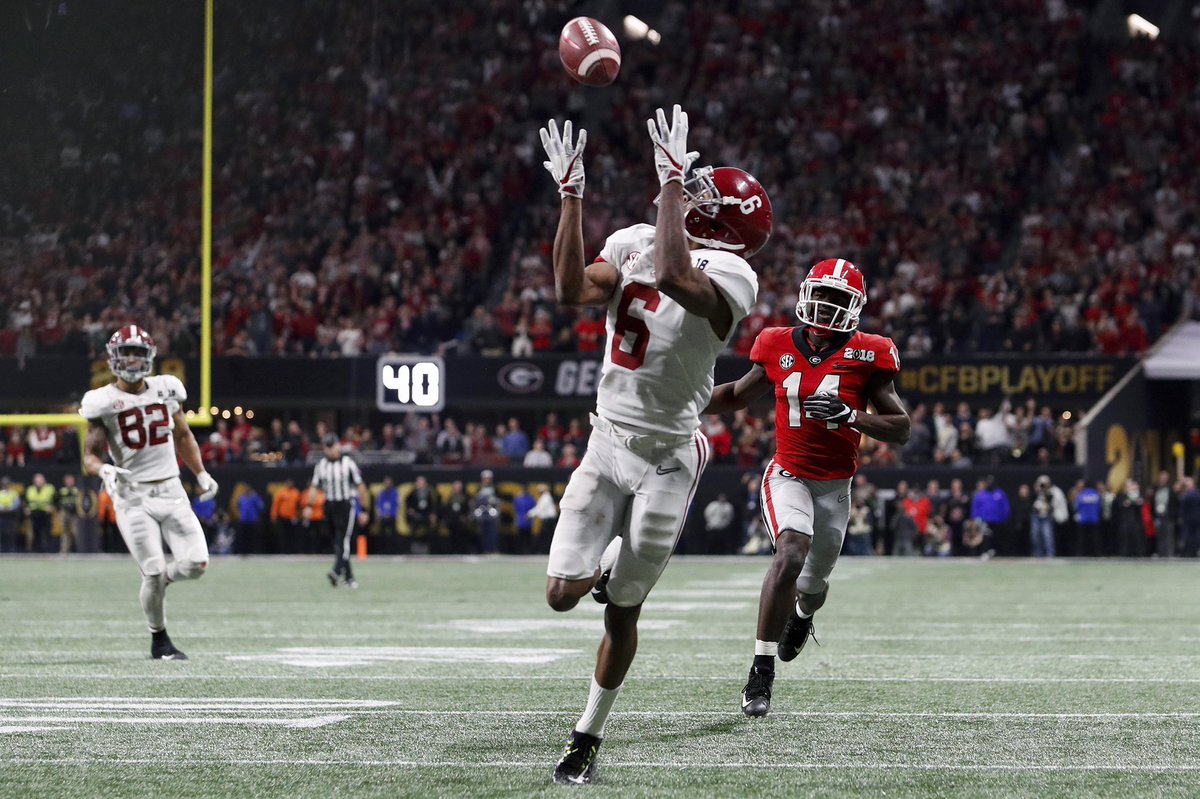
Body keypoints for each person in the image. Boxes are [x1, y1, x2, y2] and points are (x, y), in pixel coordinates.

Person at [538, 104, 772, 784]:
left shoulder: (736, 276)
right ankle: (607, 557)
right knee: (559, 593)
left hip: (669, 454)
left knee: (623, 608)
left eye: (702, 192)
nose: (687, 189)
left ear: (724, 222)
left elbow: (674, 276)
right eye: (687, 185)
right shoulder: (636, 238)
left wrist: (672, 183)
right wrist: (573, 198)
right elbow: (569, 288)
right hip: (606, 438)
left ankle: (587, 734)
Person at [702, 257, 910, 717]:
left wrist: (851, 416)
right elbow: (737, 394)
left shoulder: (869, 352)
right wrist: (683, 401)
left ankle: (803, 615)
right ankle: (761, 671)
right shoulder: (775, 342)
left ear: (854, 307)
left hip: (835, 485)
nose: (826, 305)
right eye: (822, 294)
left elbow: (900, 427)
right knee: (790, 552)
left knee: (813, 585)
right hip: (787, 473)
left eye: (838, 298)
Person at [79, 325, 218, 660]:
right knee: (151, 570)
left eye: (138, 353)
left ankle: (163, 580)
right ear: (113, 357)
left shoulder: (166, 389)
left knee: (197, 563)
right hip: (132, 496)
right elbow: (90, 457)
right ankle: (160, 641)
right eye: (126, 352)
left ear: (150, 357)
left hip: (170, 488)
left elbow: (184, 436)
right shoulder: (102, 401)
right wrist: (104, 469)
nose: (132, 359)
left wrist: (200, 473)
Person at [307, 433, 369, 588]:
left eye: (331, 446)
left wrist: (364, 509)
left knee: (344, 540)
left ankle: (336, 571)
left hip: (346, 504)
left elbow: (360, 487)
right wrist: (309, 506)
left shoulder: (348, 463)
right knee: (338, 542)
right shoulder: (321, 465)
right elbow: (314, 486)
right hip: (330, 505)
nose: (330, 450)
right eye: (326, 447)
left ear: (338, 445)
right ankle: (349, 578)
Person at [24, 472, 55, 552]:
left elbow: (56, 499)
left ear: (44, 480)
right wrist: (26, 508)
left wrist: (53, 507)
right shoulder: (30, 489)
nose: (38, 482)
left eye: (40, 480)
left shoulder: (50, 488)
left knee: (47, 532)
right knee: (35, 532)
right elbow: (25, 500)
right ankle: (35, 550)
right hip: (34, 514)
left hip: (46, 514)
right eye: (37, 480)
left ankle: (49, 550)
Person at [270, 479, 302, 554]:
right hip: (283, 517)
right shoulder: (281, 492)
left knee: (293, 535)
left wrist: (299, 516)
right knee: (283, 535)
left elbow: (299, 506)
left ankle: (292, 551)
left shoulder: (296, 492)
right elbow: (275, 505)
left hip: (293, 518)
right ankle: (283, 551)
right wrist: (274, 515)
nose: (290, 484)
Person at [57, 473, 84, 554]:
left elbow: (81, 501)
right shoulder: (62, 491)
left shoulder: (77, 490)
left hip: (74, 513)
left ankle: (80, 550)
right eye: (68, 480)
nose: (69, 482)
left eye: (71, 480)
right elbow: (57, 501)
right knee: (65, 532)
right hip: (64, 512)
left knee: (76, 532)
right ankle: (64, 550)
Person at [0, 476, 21, 552]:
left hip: (11, 516)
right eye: (4, 484)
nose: (5, 485)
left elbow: (16, 504)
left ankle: (11, 549)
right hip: (1, 516)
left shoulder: (14, 493)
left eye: (7, 484)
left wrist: (8, 509)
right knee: (1, 533)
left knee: (11, 533)